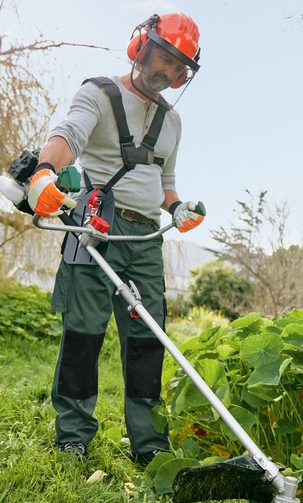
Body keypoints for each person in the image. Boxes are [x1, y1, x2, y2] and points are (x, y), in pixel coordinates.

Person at [27, 13, 205, 466]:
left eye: (178, 66)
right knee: (83, 335)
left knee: (148, 339)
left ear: (186, 73)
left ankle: (148, 446)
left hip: (145, 238)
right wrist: (45, 172)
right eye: (163, 56)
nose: (167, 71)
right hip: (94, 226)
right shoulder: (99, 93)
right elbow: (67, 135)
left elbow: (164, 178)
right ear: (140, 47)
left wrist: (177, 207)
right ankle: (73, 435)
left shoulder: (172, 121)